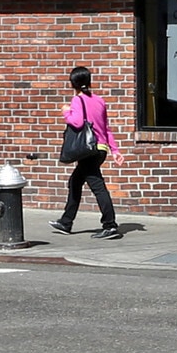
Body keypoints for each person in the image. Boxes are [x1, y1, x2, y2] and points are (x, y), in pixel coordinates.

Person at [51, 66, 121, 240]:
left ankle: (110, 225)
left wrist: (66, 112)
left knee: (97, 186)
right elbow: (106, 128)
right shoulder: (100, 100)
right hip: (101, 149)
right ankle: (66, 222)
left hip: (88, 150)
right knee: (75, 182)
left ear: (72, 84)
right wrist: (115, 150)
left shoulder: (77, 100)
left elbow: (76, 123)